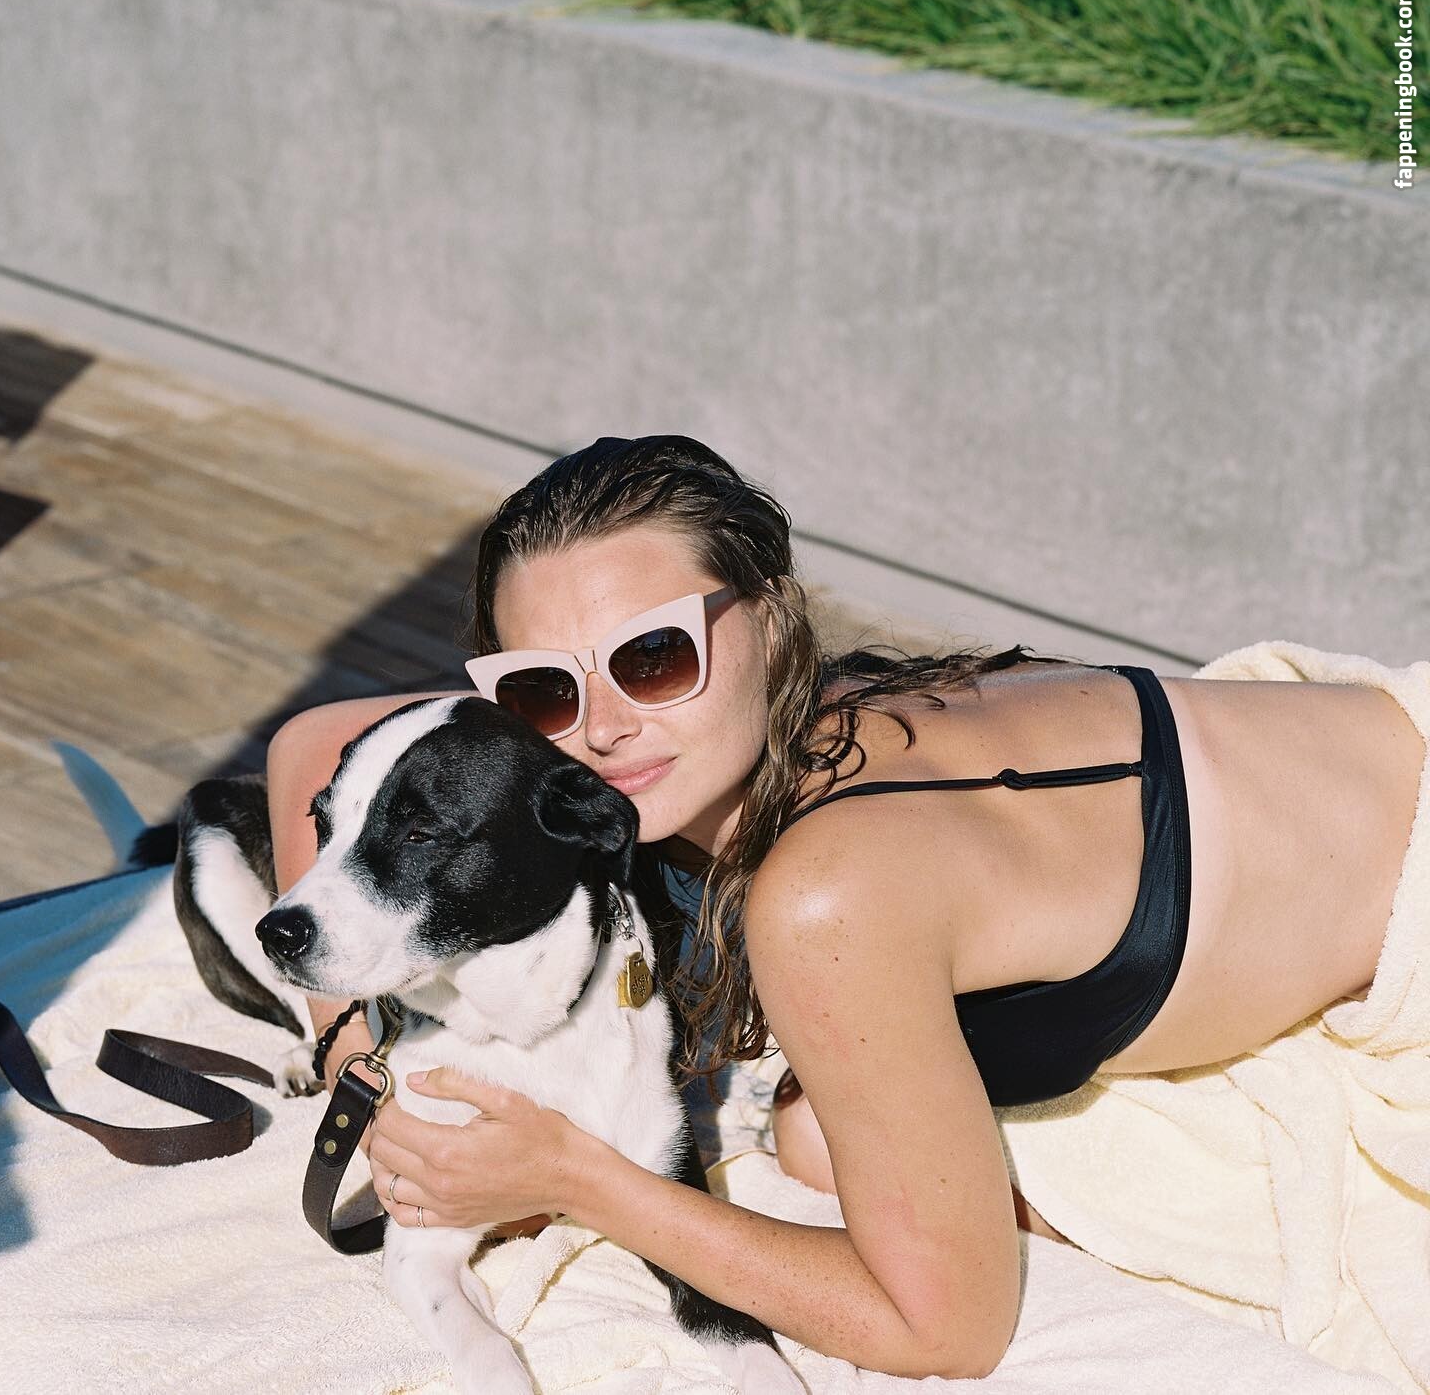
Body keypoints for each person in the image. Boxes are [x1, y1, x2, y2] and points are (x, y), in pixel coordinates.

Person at [264, 435, 1422, 1380]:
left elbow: (944, 1326)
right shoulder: (727, 730)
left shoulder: (830, 894)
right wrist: (363, 1064)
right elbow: (314, 746)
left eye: (654, 654)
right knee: (816, 1124)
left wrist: (574, 1176)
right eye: (542, 687)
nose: (604, 723)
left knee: (821, 1133)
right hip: (1304, 778)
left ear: (772, 617)